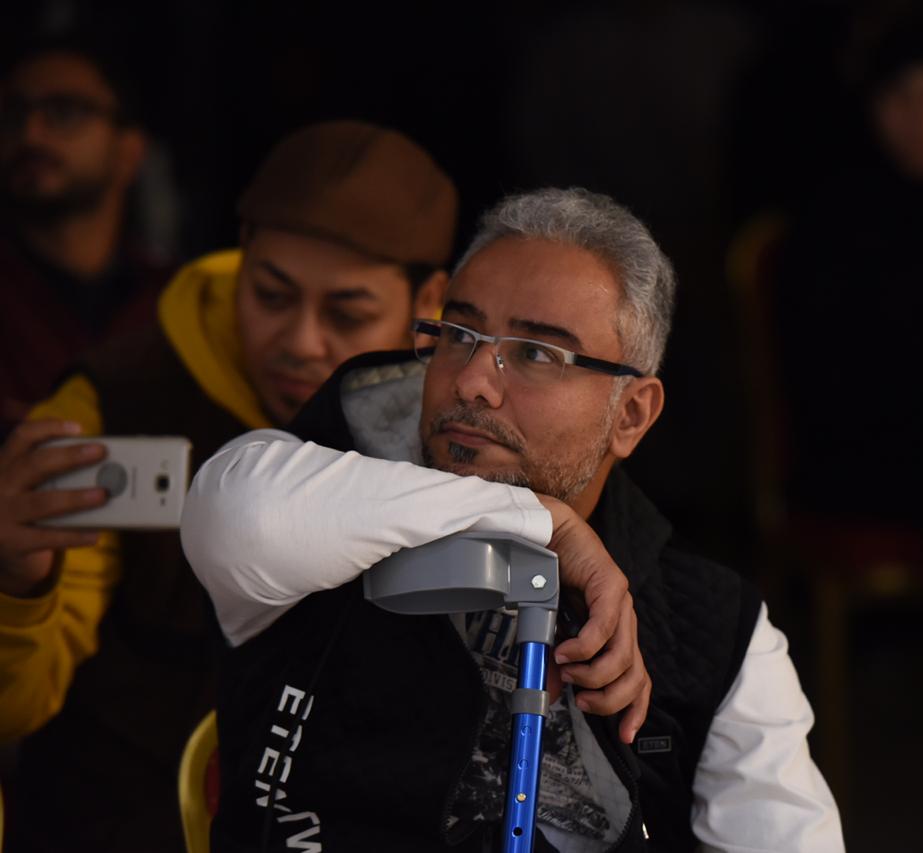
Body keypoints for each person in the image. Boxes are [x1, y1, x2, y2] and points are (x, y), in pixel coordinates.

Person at [181, 188, 842, 852]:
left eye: (536, 354)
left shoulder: (718, 627)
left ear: (631, 414)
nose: (472, 381)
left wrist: (534, 518)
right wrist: (542, 520)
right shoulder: (317, 489)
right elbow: (247, 521)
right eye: (459, 334)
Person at [0, 120, 458, 852]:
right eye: (271, 295)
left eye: (347, 313)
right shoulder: (117, 404)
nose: (301, 341)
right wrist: (17, 585)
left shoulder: (461, 423)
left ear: (429, 300)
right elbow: (16, 707)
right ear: (240, 256)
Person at [0, 38, 169, 425]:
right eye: (13, 114)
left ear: (129, 150)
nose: (31, 134)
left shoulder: (177, 302)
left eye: (64, 112)